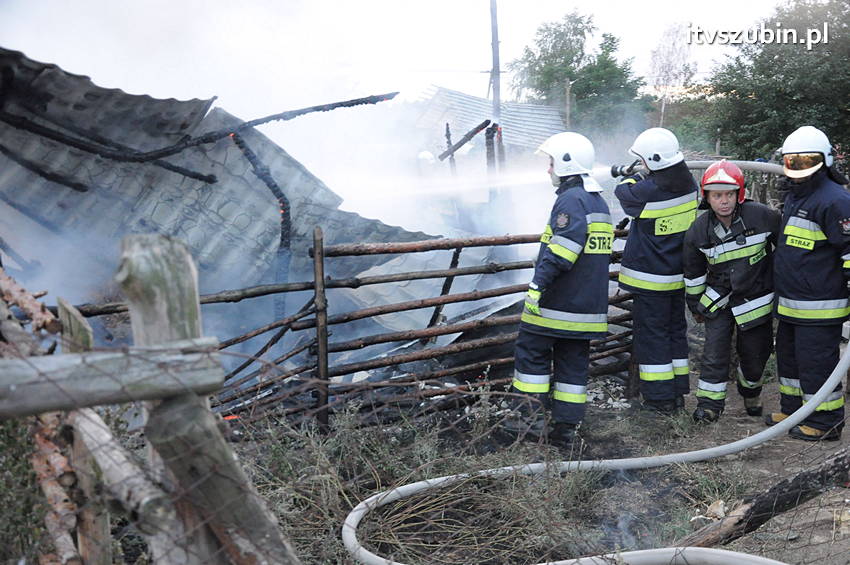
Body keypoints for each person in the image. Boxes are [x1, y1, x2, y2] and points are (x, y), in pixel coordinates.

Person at [509, 132, 613, 447]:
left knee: (531, 359)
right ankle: (565, 431)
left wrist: (537, 285)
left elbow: (563, 252)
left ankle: (528, 426)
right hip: (585, 310)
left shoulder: (570, 200)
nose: (548, 169)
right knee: (572, 367)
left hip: (555, 306)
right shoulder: (598, 201)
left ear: (566, 163)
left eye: (551, 162)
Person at [767, 125, 849, 441]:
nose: (798, 170)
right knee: (789, 362)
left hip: (820, 307)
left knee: (817, 366)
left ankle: (826, 422)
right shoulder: (796, 196)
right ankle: (794, 411)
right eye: (793, 162)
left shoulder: (834, 200)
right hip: (792, 304)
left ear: (824, 161)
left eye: (805, 162)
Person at [682, 160, 780, 423]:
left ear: (739, 194)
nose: (723, 201)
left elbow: (783, 253)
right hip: (719, 301)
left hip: (756, 300)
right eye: (717, 195)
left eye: (728, 194)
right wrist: (696, 307)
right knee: (714, 354)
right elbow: (693, 276)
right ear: (708, 197)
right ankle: (709, 406)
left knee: (754, 356)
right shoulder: (698, 231)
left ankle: (751, 393)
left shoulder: (763, 217)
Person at [614, 128, 698, 413]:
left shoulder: (650, 191)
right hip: (676, 276)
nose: (642, 165)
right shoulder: (688, 185)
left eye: (643, 161)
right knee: (675, 333)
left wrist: (629, 175)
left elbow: (624, 194)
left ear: (654, 160)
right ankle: (676, 393)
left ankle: (659, 401)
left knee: (652, 339)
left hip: (651, 279)